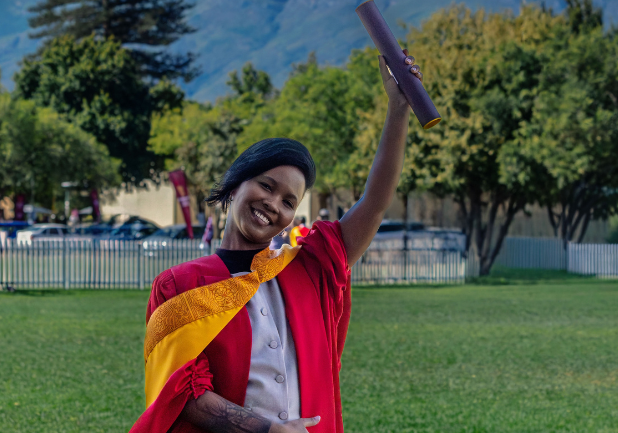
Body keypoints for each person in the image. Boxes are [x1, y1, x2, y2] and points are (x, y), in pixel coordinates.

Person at [132, 52, 418, 433]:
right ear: (236, 184)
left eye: (288, 202)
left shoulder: (310, 268)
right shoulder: (179, 286)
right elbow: (183, 391)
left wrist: (399, 108)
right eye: (266, 185)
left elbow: (376, 202)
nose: (273, 204)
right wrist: (264, 430)